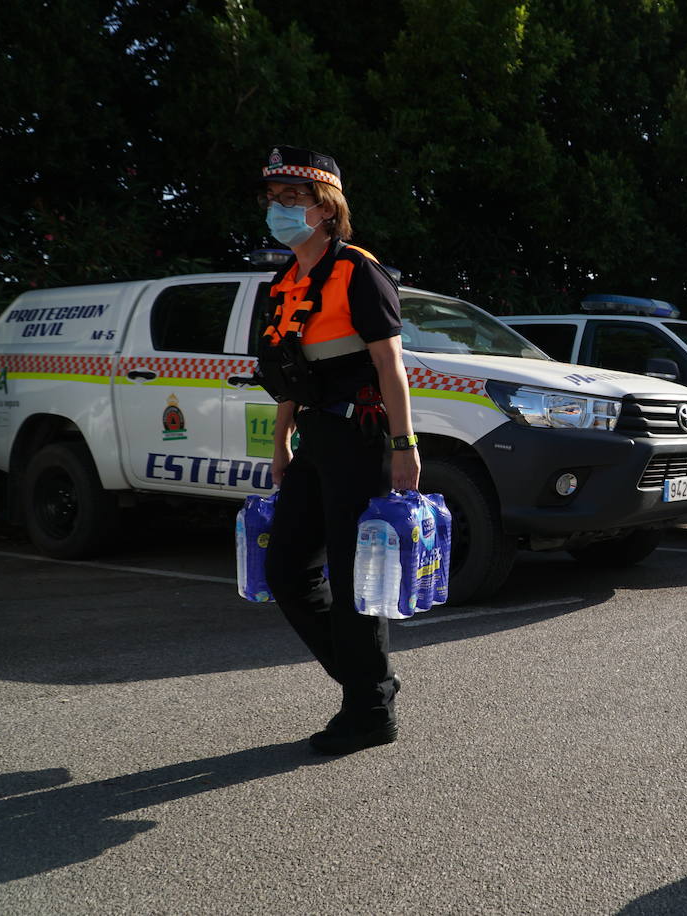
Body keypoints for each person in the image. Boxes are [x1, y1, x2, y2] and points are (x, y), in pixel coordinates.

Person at [255, 146, 421, 754]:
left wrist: (405, 446)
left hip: (362, 434)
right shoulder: (283, 282)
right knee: (286, 570)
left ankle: (369, 710)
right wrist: (280, 444)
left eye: (293, 198)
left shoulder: (358, 270)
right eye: (273, 198)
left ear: (327, 207)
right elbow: (289, 373)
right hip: (315, 438)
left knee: (357, 580)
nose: (279, 208)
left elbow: (390, 365)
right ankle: (369, 684)